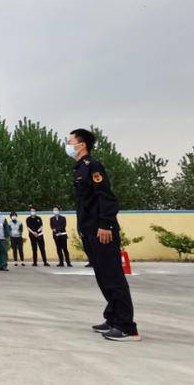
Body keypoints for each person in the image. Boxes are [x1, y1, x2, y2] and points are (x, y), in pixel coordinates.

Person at [67, 128, 140, 342]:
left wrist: (106, 224)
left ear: (81, 145)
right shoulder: (80, 168)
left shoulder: (93, 166)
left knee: (113, 276)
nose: (68, 145)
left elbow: (105, 197)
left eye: (70, 141)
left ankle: (127, 327)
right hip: (90, 230)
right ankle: (113, 318)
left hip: (102, 230)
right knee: (102, 275)